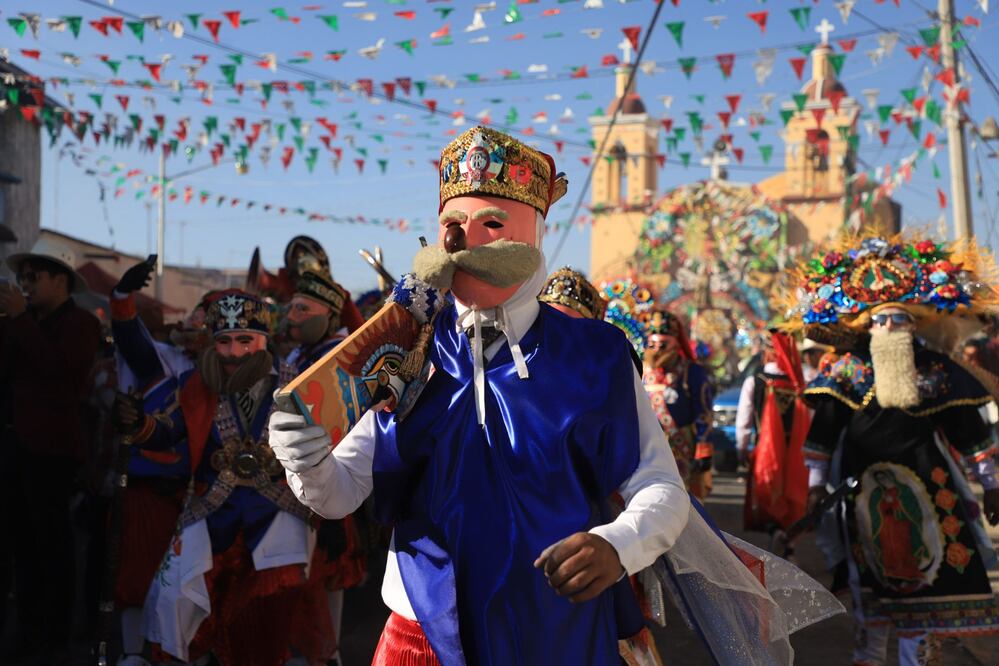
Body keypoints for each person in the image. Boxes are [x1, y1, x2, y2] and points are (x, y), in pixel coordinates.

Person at [270, 126, 692, 664]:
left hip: (557, 630)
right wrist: (305, 458)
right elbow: (340, 493)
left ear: (534, 233)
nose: (463, 242)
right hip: (421, 633)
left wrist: (618, 544)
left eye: (492, 223)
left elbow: (660, 485)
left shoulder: (597, 354)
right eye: (452, 225)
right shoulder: (402, 346)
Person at [791, 236, 999, 665]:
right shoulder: (847, 371)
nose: (890, 327)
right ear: (867, 327)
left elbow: (970, 433)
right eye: (881, 320)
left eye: (900, 319)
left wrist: (992, 485)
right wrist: (815, 487)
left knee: (926, 594)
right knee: (870, 599)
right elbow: (823, 436)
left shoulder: (936, 370)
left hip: (931, 495)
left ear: (914, 325)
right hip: (862, 498)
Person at [119, 289, 332, 666]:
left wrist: (336, 515)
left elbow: (328, 450)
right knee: (180, 605)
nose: (234, 353)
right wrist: (139, 424)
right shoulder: (197, 382)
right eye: (224, 341)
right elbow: (168, 430)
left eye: (245, 340)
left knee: (272, 621)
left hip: (278, 518)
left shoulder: (301, 384)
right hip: (211, 516)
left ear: (265, 339)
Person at [0, 236, 101, 662]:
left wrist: (21, 321)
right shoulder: (21, 323)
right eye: (23, 277)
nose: (25, 284)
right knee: (20, 546)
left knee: (52, 546)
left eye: (34, 276)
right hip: (15, 448)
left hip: (51, 452)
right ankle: (27, 631)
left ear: (61, 280)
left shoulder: (82, 325)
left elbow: (62, 375)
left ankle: (55, 635)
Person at [283, 268, 368, 665]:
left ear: (329, 316)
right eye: (292, 307)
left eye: (303, 308)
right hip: (296, 484)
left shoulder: (341, 357)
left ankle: (327, 654)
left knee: (324, 580)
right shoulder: (297, 354)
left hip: (332, 481)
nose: (292, 316)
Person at [735, 330, 811, 535]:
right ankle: (788, 537)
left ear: (767, 352)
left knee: (769, 490)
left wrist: (742, 448)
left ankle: (773, 530)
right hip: (795, 450)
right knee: (791, 492)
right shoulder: (799, 383)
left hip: (765, 449)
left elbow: (744, 419)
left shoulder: (755, 381)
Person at [641, 308, 715, 498]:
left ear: (675, 344)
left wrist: (703, 449)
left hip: (681, 448)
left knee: (682, 498)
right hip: (646, 447)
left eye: (663, 345)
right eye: (652, 344)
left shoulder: (692, 372)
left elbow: (704, 412)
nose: (657, 350)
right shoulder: (640, 370)